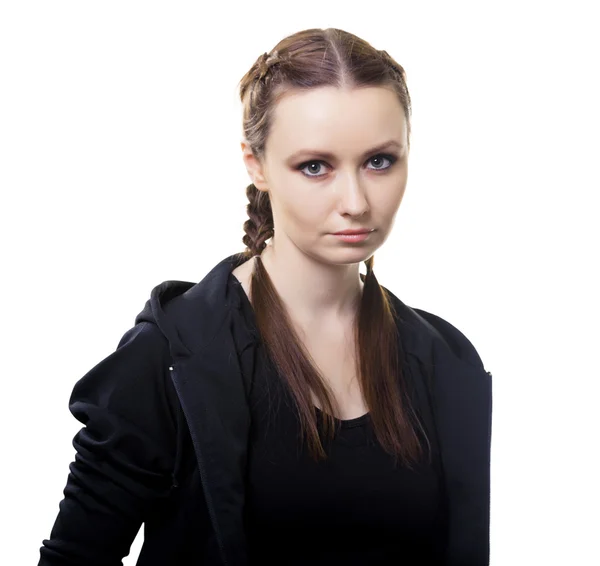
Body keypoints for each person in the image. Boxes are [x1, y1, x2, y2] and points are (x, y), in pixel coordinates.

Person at [38, 27, 492, 566]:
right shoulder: (170, 358)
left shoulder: (442, 360)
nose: (355, 202)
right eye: (315, 166)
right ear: (256, 165)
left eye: (378, 161)